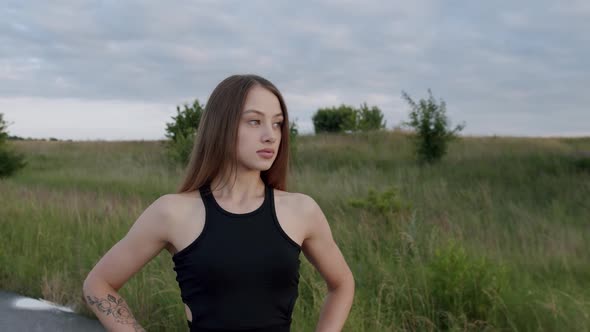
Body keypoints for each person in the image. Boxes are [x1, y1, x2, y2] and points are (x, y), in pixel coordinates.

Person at [82, 74, 355, 331]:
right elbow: (98, 284)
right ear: (222, 125)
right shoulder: (173, 212)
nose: (270, 135)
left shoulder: (301, 210)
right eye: (254, 121)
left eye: (277, 123)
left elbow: (342, 284)